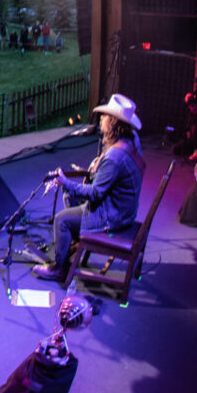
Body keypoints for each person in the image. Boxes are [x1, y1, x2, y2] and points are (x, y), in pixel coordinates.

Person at [32, 94, 146, 281]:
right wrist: (96, 169)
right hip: (125, 209)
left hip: (114, 216)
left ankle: (60, 267)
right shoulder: (131, 140)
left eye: (105, 116)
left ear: (114, 123)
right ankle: (74, 240)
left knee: (62, 219)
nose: (101, 119)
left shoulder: (115, 156)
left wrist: (65, 182)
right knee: (71, 197)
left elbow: (95, 193)